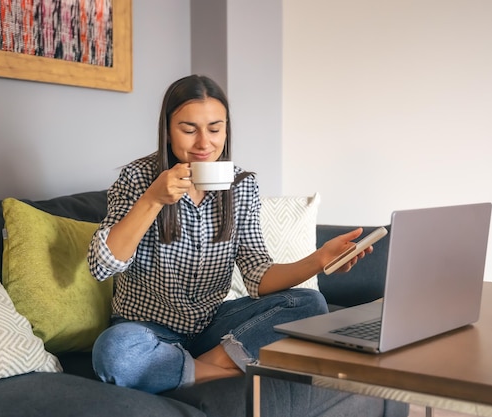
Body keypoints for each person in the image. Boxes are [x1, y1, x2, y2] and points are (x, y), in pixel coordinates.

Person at [88, 74, 372, 394]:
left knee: (309, 304)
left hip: (212, 328)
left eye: (214, 128)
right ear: (167, 130)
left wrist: (319, 259)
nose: (204, 143)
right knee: (114, 352)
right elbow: (102, 266)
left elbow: (257, 275)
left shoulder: (241, 185)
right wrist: (153, 199)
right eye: (188, 129)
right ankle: (232, 372)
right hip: (146, 330)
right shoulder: (138, 178)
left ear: (226, 129)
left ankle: (186, 366)